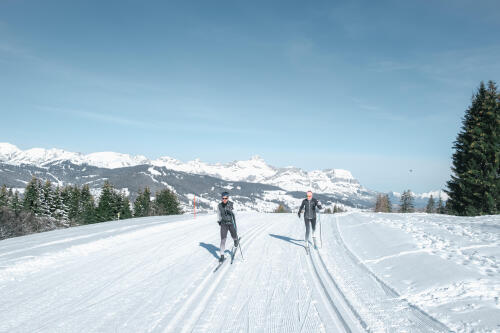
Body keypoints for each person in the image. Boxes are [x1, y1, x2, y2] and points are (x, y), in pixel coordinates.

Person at [216, 191, 239, 262]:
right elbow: (218, 214)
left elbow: (236, 213)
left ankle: (235, 240)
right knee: (223, 240)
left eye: (226, 198)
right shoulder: (219, 206)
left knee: (234, 236)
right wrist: (219, 221)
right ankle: (222, 255)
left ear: (228, 198)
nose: (224, 199)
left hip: (231, 223)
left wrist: (231, 211)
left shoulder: (232, 204)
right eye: (223, 198)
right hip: (224, 224)